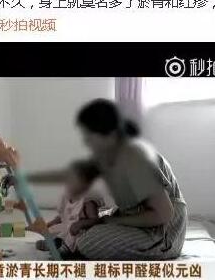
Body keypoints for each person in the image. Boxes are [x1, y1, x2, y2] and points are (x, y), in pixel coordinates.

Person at [29, 98, 187, 260]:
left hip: (162, 233)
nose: (87, 142)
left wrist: (111, 221)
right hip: (139, 223)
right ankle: (66, 241)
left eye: (90, 136)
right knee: (79, 224)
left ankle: (70, 245)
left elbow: (163, 214)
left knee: (88, 241)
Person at [35, 160, 104, 259]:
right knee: (53, 229)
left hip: (80, 229)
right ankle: (54, 243)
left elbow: (95, 219)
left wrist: (81, 223)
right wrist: (50, 223)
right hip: (67, 226)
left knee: (72, 232)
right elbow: (62, 216)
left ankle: (66, 250)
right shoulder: (67, 197)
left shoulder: (87, 200)